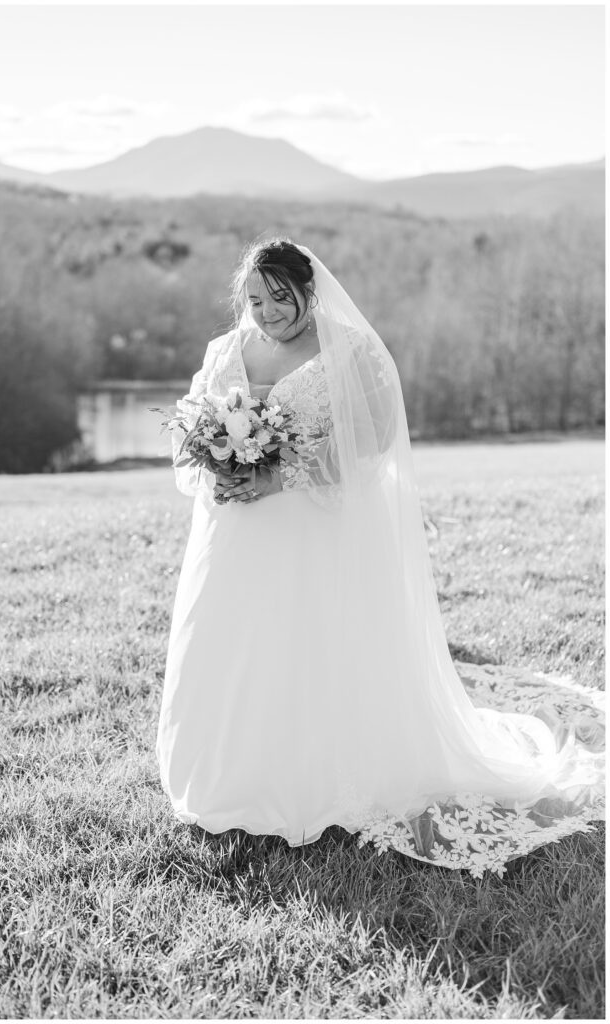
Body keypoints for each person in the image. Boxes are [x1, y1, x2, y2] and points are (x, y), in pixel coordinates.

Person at [155, 238, 603, 877]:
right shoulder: (226, 352)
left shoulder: (351, 351)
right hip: (233, 532)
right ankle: (226, 774)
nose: (267, 312)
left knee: (304, 642)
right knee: (232, 640)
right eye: (255, 300)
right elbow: (192, 430)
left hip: (311, 530)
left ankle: (315, 776)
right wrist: (216, 472)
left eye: (280, 298)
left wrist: (275, 478)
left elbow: (373, 442)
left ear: (309, 290)